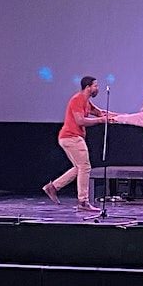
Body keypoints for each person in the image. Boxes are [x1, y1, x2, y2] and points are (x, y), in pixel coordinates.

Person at [42, 76, 108, 211]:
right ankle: (83, 202)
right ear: (88, 87)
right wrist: (101, 121)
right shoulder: (77, 99)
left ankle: (53, 187)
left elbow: (100, 113)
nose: (97, 88)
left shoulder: (86, 101)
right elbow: (80, 121)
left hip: (72, 137)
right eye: (95, 86)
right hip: (71, 137)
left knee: (79, 168)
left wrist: (117, 117)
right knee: (85, 167)